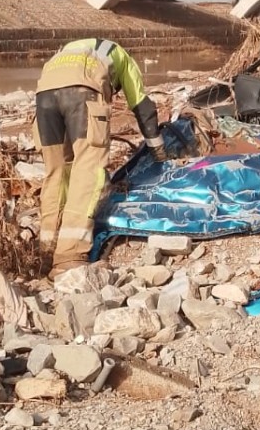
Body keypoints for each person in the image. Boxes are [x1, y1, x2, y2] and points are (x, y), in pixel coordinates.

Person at [35, 37, 166, 276]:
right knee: (88, 170)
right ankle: (69, 257)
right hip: (83, 91)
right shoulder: (122, 57)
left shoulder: (70, 48)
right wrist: (158, 151)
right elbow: (142, 107)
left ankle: (46, 249)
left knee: (57, 172)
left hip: (44, 94)